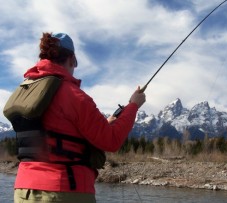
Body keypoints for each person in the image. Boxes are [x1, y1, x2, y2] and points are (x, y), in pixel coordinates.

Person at [12, 32, 146, 202]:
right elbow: (111, 141)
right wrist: (133, 106)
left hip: (23, 190)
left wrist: (105, 124)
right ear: (72, 59)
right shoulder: (73, 95)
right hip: (64, 190)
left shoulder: (25, 91)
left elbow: (56, 132)